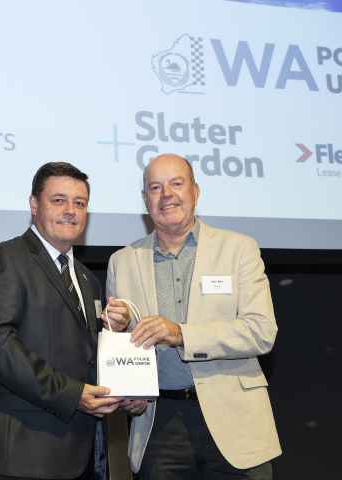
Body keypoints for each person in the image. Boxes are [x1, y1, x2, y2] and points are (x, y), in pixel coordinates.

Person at [103, 153, 281, 479]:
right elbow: (123, 347)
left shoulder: (238, 249)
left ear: (195, 191)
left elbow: (261, 331)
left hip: (235, 421)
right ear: (145, 200)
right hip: (158, 425)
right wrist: (129, 391)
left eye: (176, 183)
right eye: (155, 187)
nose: (166, 194)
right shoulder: (122, 261)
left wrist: (181, 334)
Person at [0, 162, 121, 480]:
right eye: (58, 200)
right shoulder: (6, 259)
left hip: (81, 453)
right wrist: (71, 394)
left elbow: (85, 355)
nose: (70, 211)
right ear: (34, 205)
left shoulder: (87, 279)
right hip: (25, 454)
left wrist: (124, 387)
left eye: (80, 203)